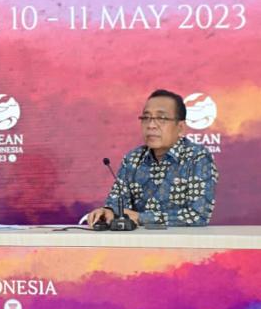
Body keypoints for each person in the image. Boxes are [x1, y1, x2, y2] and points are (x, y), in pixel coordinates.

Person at [87, 89, 217, 228]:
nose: (151, 125)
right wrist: (107, 212)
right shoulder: (133, 159)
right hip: (139, 241)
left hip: (181, 241)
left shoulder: (197, 158)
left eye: (161, 118)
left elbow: (198, 216)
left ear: (180, 128)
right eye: (146, 118)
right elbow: (117, 204)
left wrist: (141, 217)